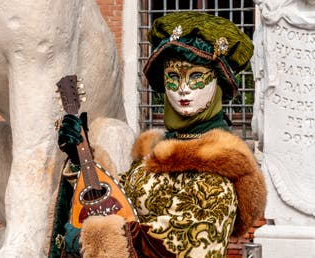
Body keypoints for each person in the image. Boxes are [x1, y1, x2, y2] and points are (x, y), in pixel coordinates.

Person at [52, 11, 266, 258]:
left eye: (196, 76)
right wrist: (82, 157)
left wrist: (88, 240)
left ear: (218, 83)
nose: (183, 89)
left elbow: (166, 248)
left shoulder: (219, 174)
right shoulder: (152, 155)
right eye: (174, 77)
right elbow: (119, 205)